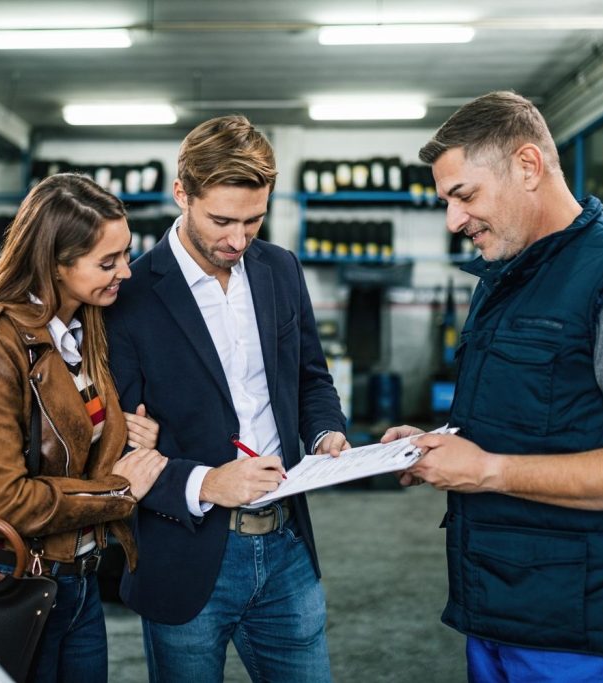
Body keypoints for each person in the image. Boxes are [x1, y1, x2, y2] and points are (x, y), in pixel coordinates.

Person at [381, 91, 603, 682]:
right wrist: (437, 446)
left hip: (591, 634)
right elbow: (529, 424)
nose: (454, 221)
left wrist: (487, 471)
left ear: (528, 167)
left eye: (464, 195)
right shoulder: (503, 283)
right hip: (503, 611)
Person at [104, 115, 349, 682]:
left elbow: (311, 378)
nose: (238, 240)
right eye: (221, 220)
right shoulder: (128, 295)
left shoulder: (279, 269)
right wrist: (208, 483)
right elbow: (116, 448)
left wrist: (324, 433)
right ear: (181, 194)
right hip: (183, 555)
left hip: (287, 545)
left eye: (254, 220)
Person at [0, 173, 168, 683]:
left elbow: (73, 453)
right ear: (54, 264)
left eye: (125, 254)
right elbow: (0, 499)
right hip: (15, 578)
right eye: (106, 263)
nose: (125, 273)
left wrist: (129, 441)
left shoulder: (83, 332)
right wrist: (121, 491)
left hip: (80, 580)